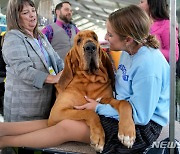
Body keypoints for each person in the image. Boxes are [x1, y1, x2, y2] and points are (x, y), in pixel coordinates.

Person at [0, 5, 170, 154]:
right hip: (118, 110)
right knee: (60, 120)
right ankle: (3, 130)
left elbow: (140, 116)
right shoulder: (127, 52)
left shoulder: (149, 66)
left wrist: (97, 108)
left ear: (128, 39)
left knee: (66, 127)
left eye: (109, 35)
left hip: (141, 127)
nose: (105, 39)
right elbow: (120, 93)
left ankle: (4, 142)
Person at [2, 0, 64, 122]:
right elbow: (24, 70)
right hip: (24, 107)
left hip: (45, 103)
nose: (32, 15)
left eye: (33, 11)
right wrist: (53, 78)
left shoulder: (41, 36)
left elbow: (56, 60)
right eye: (25, 12)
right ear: (15, 17)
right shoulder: (13, 37)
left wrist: (67, 71)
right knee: (20, 140)